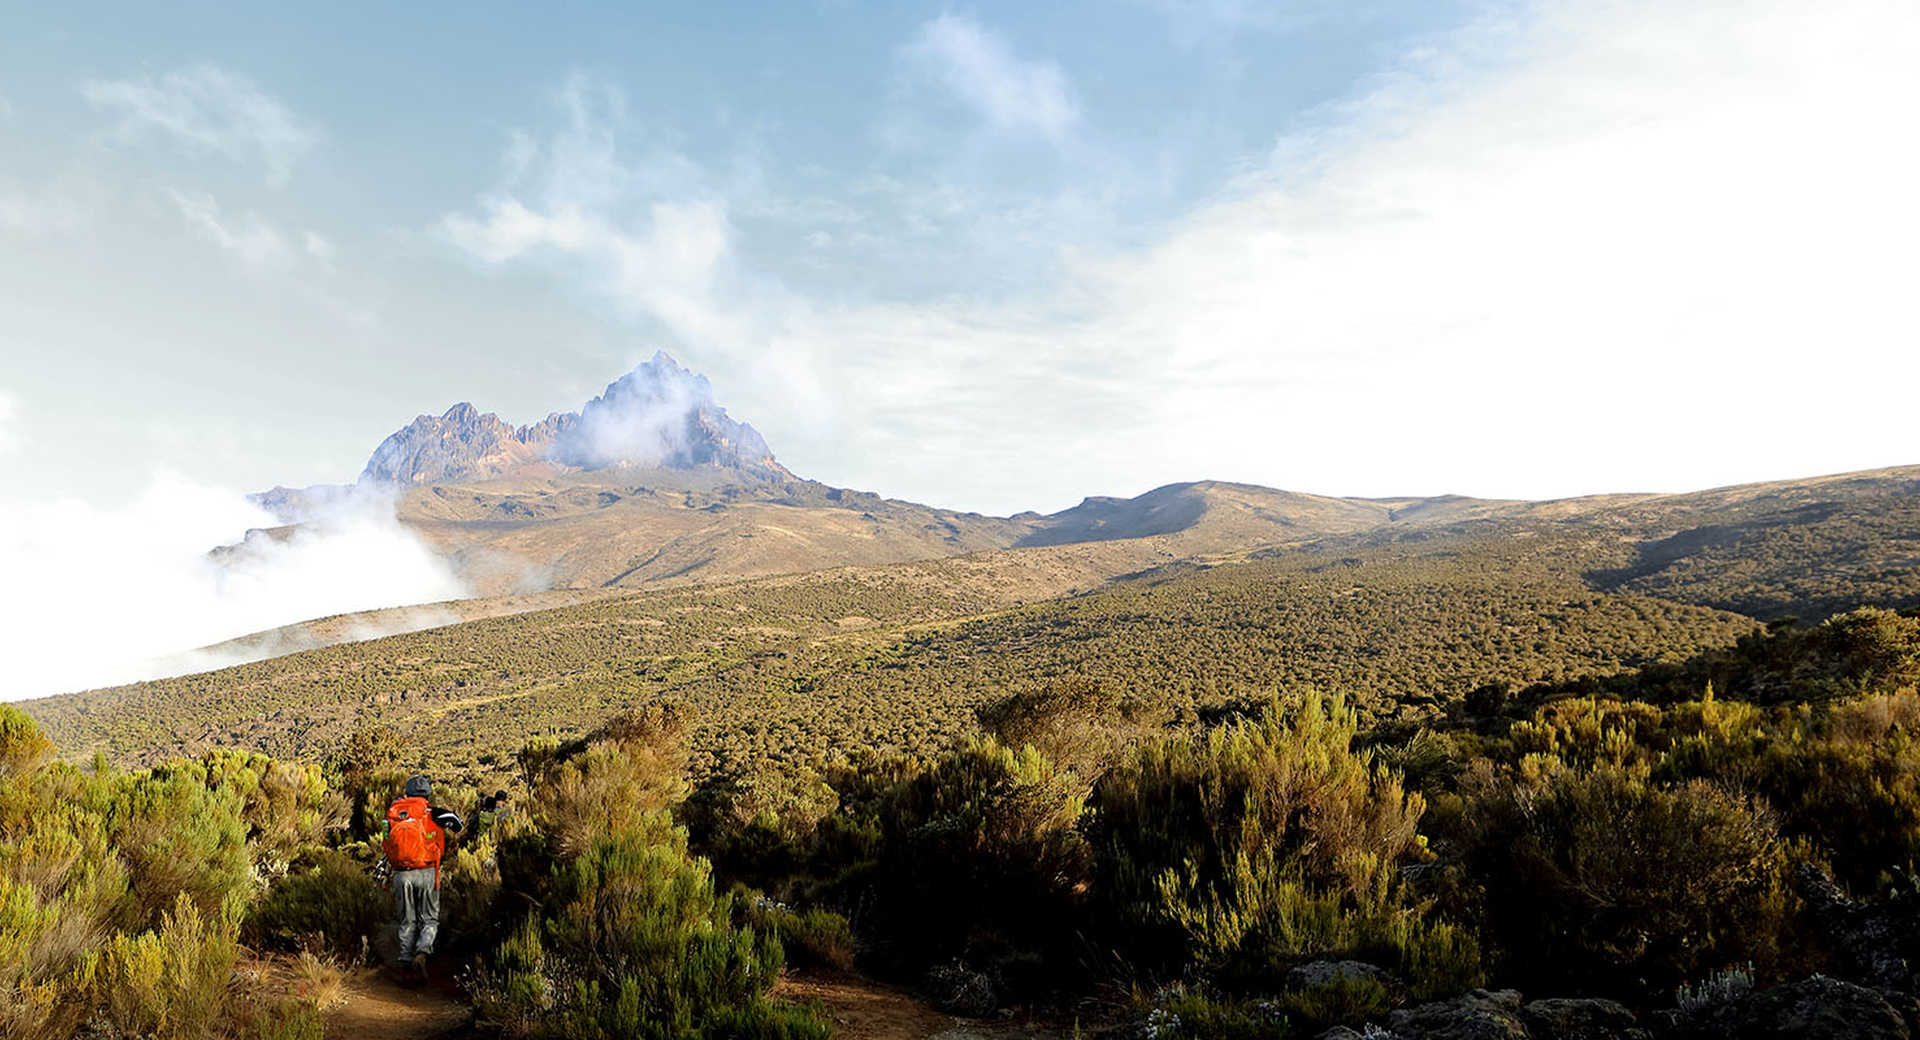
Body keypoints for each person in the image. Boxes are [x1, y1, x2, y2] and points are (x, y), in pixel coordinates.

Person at [383, 775, 463, 980]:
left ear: (407, 792)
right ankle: (422, 953)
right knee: (429, 919)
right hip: (427, 871)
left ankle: (404, 961)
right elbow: (458, 825)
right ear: (427, 794)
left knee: (406, 919)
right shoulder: (434, 813)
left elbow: (385, 840)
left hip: (401, 873)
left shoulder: (393, 813)